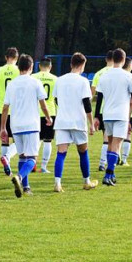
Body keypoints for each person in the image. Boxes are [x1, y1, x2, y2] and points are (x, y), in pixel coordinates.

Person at [2, 54, 52, 196]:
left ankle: (26, 187)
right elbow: (43, 105)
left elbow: (5, 107)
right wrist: (48, 118)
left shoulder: (12, 84)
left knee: (22, 157)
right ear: (31, 67)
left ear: (18, 67)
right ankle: (19, 177)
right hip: (31, 125)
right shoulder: (35, 82)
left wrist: (2, 128)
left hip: (16, 125)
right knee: (32, 158)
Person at [93, 49, 132, 186]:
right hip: (121, 114)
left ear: (113, 59)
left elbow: (99, 97)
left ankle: (111, 174)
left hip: (106, 114)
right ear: (124, 60)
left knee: (110, 143)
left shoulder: (104, 76)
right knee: (117, 144)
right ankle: (108, 174)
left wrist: (96, 116)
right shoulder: (128, 76)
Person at [52, 52, 95, 191]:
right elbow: (87, 104)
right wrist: (91, 123)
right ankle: (86, 181)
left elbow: (56, 100)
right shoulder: (83, 81)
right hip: (78, 121)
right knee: (83, 151)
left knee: (61, 153)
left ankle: (58, 183)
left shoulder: (60, 80)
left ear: (71, 64)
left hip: (62, 121)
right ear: (82, 65)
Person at [0, 47, 20, 175]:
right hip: (16, 109)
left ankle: (5, 166)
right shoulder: (19, 70)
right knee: (18, 140)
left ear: (5, 57)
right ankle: (7, 158)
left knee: (4, 138)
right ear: (17, 58)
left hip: (2, 109)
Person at [34, 58, 58, 173]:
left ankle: (32, 163)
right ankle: (43, 166)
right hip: (50, 112)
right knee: (48, 140)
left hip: (35, 112)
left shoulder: (33, 77)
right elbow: (57, 98)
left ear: (39, 66)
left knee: (36, 140)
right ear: (50, 66)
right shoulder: (55, 79)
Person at [92, 51, 115, 172]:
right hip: (115, 109)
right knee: (112, 138)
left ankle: (107, 161)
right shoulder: (118, 73)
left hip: (101, 109)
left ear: (106, 59)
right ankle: (104, 162)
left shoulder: (98, 74)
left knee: (106, 136)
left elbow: (92, 94)